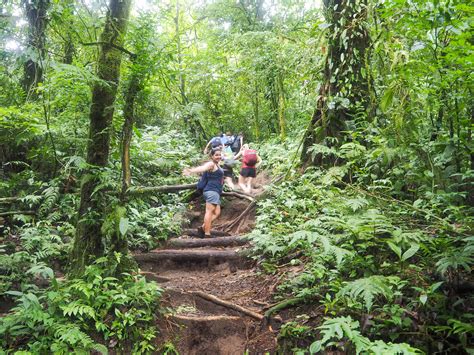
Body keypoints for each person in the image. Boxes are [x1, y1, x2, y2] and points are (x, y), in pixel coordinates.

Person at [183, 149, 224, 238]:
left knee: (217, 212)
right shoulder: (211, 164)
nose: (218, 156)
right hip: (211, 191)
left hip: (215, 191)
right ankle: (207, 234)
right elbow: (203, 168)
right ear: (212, 156)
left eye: (220, 155)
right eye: (216, 155)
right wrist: (191, 171)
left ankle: (202, 228)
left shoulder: (217, 164)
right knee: (209, 212)